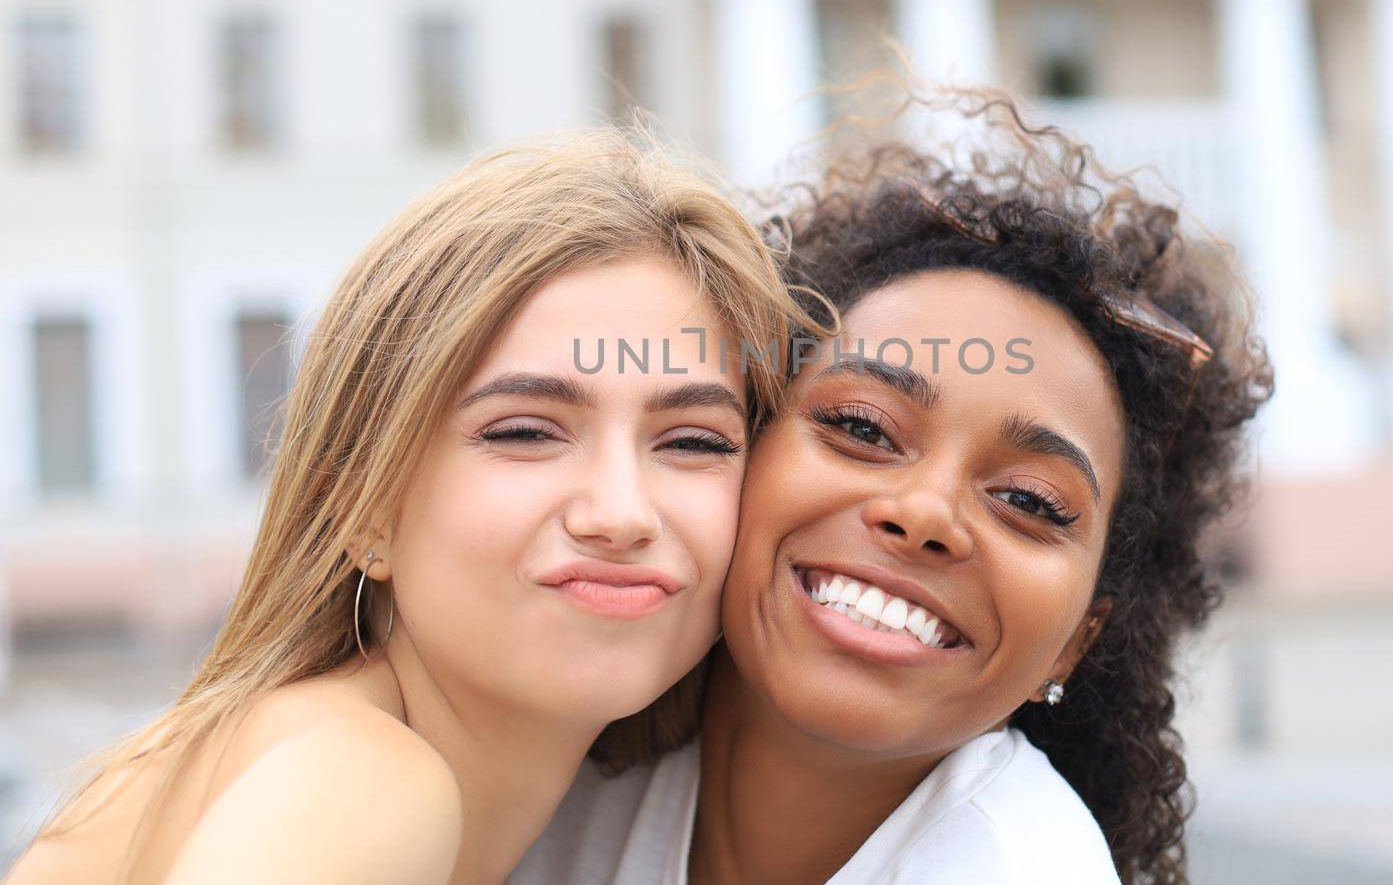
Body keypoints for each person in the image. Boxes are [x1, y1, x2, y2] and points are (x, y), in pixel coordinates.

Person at [9, 130, 820, 884]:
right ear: (362, 504)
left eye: (692, 442)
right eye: (527, 431)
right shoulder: (363, 784)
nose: (621, 511)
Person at [515, 93, 1274, 884]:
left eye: (1028, 501)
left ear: (1075, 642)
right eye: (864, 427)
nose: (922, 514)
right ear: (738, 450)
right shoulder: (549, 766)